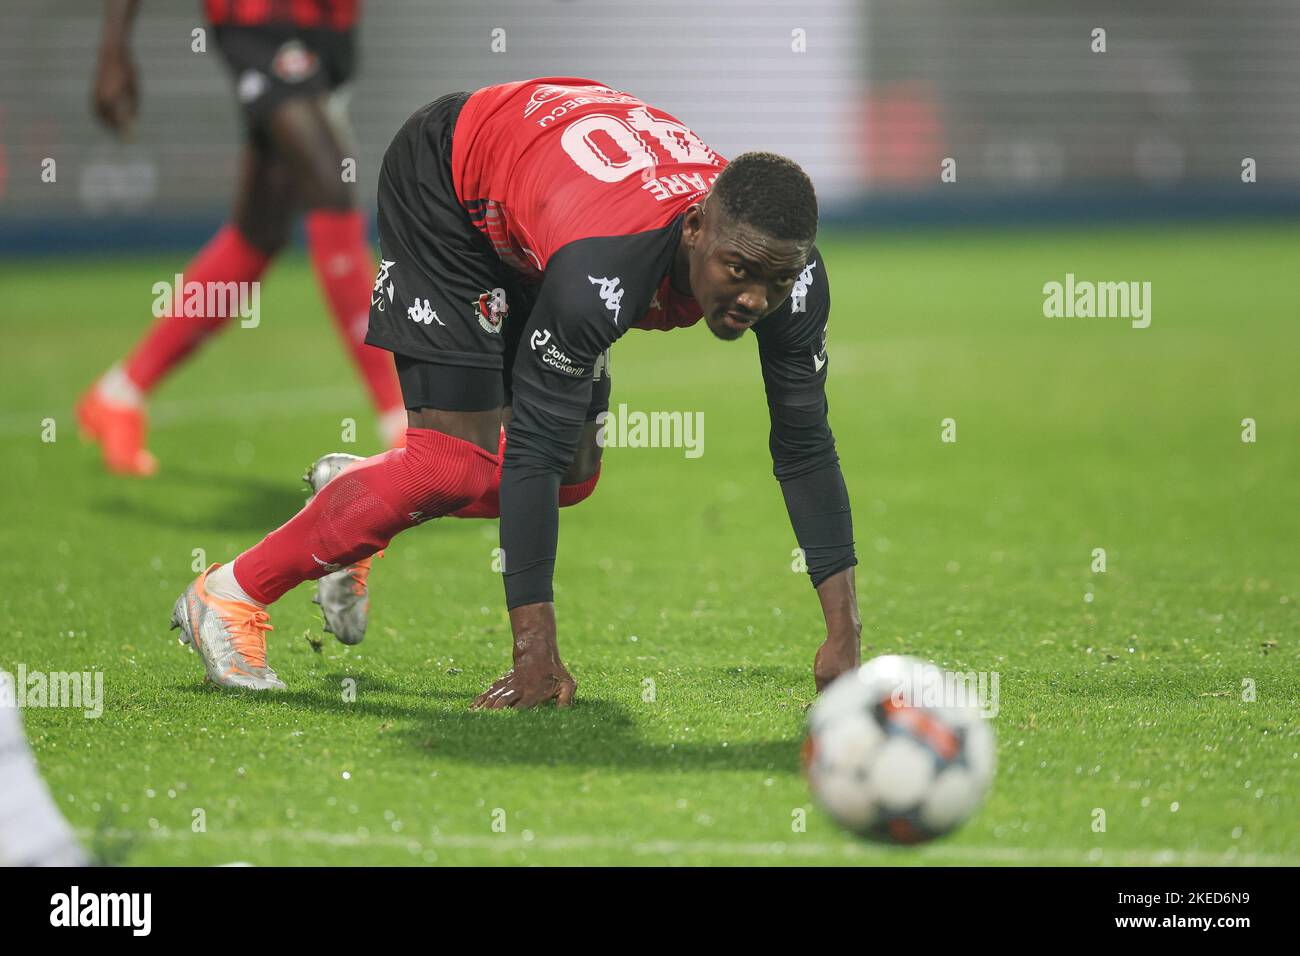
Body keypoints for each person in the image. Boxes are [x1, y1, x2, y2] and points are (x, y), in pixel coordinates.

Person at [168, 78, 862, 706]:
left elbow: (804, 443)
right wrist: (535, 651)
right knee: (452, 465)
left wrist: (844, 635)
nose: (753, 298)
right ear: (694, 228)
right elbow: (527, 446)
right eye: (737, 270)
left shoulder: (789, 276)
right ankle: (228, 595)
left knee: (574, 477)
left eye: (774, 281)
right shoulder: (601, 275)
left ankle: (364, 496)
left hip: (545, 205)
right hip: (450, 188)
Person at [78, 0, 404, 477]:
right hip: (257, 22)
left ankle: (118, 395)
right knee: (330, 185)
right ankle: (403, 421)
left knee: (259, 233)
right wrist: (114, 48)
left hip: (330, 28)